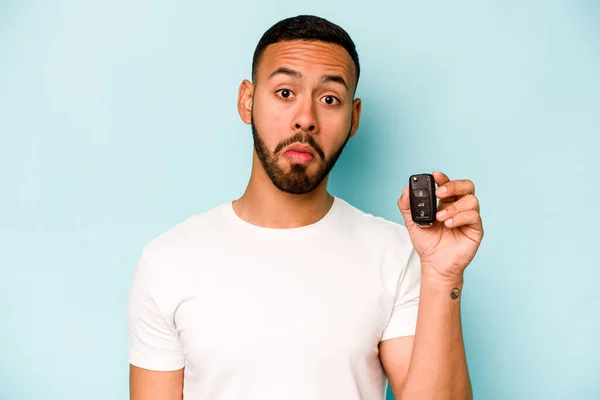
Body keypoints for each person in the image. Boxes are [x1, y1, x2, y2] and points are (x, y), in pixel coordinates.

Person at [127, 14, 484, 400]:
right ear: (247, 101)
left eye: (329, 99)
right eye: (285, 92)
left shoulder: (399, 254)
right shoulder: (168, 261)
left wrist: (443, 276)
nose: (305, 119)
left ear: (353, 119)